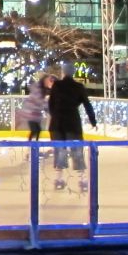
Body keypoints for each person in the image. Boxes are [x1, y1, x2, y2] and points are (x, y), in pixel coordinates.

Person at [47, 62, 97, 192]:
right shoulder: (78, 86)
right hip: (72, 123)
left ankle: (59, 179)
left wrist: (55, 116)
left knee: (60, 151)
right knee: (77, 152)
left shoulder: (57, 86)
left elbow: (51, 104)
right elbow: (87, 105)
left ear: (63, 72)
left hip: (57, 124)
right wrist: (93, 121)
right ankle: (82, 180)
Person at [20, 74, 53, 150]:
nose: (49, 82)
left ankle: (34, 145)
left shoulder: (43, 90)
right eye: (48, 80)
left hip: (36, 115)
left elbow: (42, 102)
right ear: (44, 80)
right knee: (35, 130)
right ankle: (30, 144)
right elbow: (39, 100)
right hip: (30, 113)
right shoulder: (38, 89)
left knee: (37, 130)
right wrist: (47, 108)